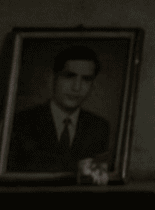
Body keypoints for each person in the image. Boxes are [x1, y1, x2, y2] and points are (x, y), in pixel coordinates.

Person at [7, 45, 110, 175]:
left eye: (86, 79)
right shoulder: (20, 122)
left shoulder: (99, 127)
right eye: (69, 76)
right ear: (52, 78)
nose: (77, 88)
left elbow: (97, 177)